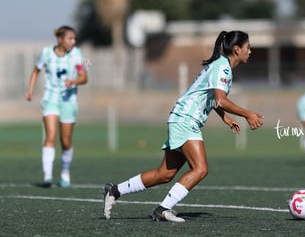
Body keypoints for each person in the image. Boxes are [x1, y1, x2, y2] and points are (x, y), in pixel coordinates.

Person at [103, 30, 264, 222]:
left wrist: (225, 118)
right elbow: (220, 99)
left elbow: (211, 97)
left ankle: (114, 190)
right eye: (248, 47)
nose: (250, 51)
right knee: (200, 169)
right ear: (237, 49)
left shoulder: (221, 65)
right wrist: (248, 114)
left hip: (181, 118)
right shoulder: (223, 67)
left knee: (164, 174)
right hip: (185, 120)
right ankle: (163, 209)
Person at [25, 26, 88, 187]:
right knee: (50, 136)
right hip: (50, 99)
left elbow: (84, 77)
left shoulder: (76, 54)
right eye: (70, 38)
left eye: (74, 39)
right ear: (60, 39)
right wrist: (30, 90)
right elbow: (35, 71)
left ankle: (65, 173)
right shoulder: (46, 53)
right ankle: (47, 176)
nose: (73, 42)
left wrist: (73, 81)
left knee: (65, 141)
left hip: (69, 101)